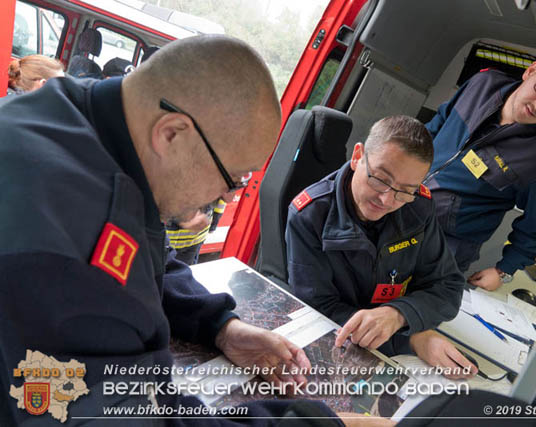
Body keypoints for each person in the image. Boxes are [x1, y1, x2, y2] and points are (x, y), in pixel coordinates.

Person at [0, 35, 379, 426]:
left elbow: (142, 252)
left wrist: (220, 326)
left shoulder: (84, 116)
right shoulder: (64, 242)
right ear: (172, 134)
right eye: (232, 178)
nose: (228, 197)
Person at [285, 116, 476, 379]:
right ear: (357, 157)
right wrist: (411, 339)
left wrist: (399, 314)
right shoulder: (309, 216)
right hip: (346, 348)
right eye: (381, 179)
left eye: (405, 190)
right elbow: (319, 311)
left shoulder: (418, 206)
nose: (387, 200)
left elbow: (448, 285)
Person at [424, 49, 536, 291]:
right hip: (399, 207)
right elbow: (433, 128)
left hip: (442, 248)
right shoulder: (482, 84)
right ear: (531, 70)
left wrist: (503, 271)